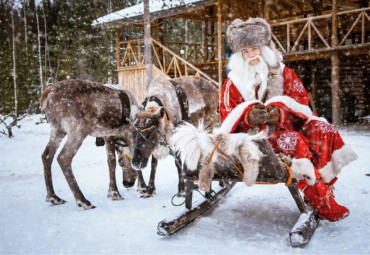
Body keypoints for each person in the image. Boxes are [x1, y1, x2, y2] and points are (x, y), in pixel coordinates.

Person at [219, 17, 358, 222]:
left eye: (254, 49)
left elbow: (301, 101)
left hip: (284, 128)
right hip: (253, 140)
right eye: (245, 51)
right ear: (240, 55)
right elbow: (227, 115)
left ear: (264, 48)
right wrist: (248, 117)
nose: (251, 55)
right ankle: (321, 199)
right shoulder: (233, 83)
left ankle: (323, 186)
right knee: (294, 141)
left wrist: (281, 113)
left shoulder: (285, 74)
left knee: (323, 130)